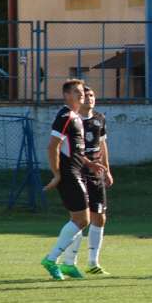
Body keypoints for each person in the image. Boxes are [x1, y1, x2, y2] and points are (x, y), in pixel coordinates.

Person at [41, 79, 107, 281]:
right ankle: (51, 259)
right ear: (66, 95)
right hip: (70, 174)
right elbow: (53, 147)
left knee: (78, 220)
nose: (81, 95)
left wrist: (89, 163)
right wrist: (58, 174)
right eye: (77, 92)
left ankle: (69, 264)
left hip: (78, 170)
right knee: (83, 219)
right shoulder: (65, 116)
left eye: (82, 91)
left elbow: (75, 151)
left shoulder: (75, 117)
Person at [59, 86, 114, 277]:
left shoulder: (99, 118)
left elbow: (103, 144)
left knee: (100, 217)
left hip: (96, 172)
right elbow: (72, 150)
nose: (89, 98)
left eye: (92, 95)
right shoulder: (73, 120)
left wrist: (107, 170)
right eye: (86, 95)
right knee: (80, 219)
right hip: (78, 171)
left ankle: (92, 262)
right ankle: (69, 261)